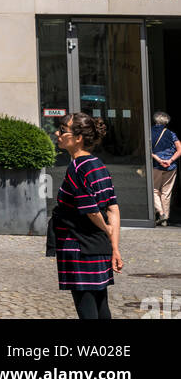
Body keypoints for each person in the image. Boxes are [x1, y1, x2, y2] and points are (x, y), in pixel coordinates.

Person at [46, 113, 122, 320]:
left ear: (78, 138)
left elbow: (91, 209)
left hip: (78, 245)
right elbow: (112, 208)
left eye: (63, 130)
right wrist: (114, 246)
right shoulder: (99, 165)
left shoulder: (77, 168)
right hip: (98, 246)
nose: (57, 133)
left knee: (87, 309)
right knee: (101, 305)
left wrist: (107, 230)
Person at [151, 111, 181, 226]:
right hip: (170, 166)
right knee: (166, 193)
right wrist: (170, 160)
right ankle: (165, 219)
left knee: (153, 190)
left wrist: (159, 160)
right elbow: (179, 149)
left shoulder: (149, 133)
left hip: (156, 166)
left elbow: (146, 149)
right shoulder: (171, 134)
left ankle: (161, 213)